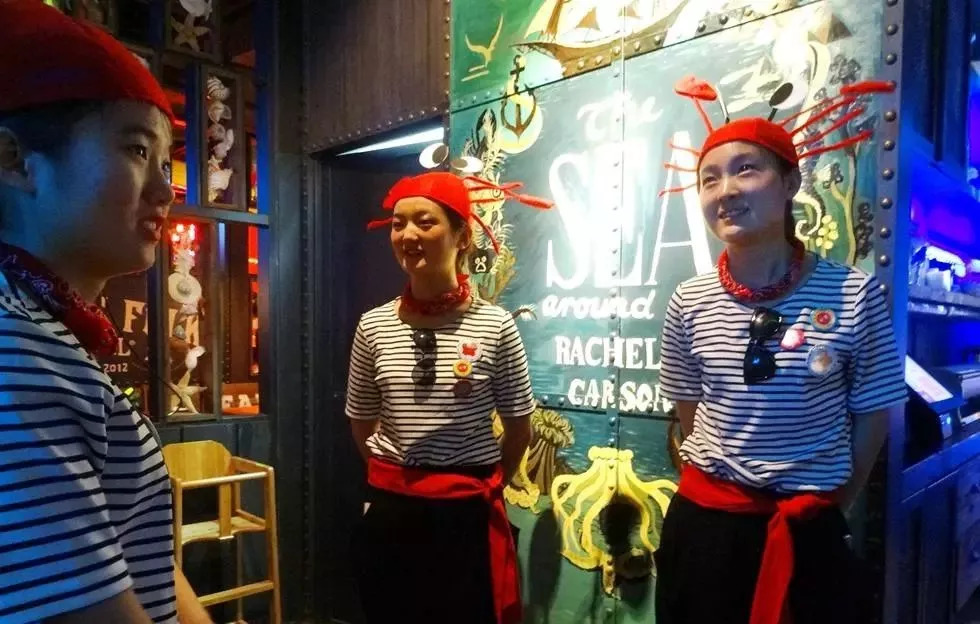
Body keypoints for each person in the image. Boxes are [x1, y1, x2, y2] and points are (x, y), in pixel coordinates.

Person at [654, 77, 905, 624]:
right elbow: (689, 410)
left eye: (746, 169)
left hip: (807, 529)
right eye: (709, 179)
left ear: (790, 181)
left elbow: (874, 411)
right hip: (706, 528)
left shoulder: (853, 293)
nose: (725, 191)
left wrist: (836, 501)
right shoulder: (688, 299)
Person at [0, 2, 211, 623]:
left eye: (165, 159)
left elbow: (138, 563)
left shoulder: (45, 328)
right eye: (137, 149)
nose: (166, 189)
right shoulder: (16, 351)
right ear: (14, 160)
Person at [346, 171, 551, 623]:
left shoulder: (496, 326)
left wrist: (476, 483)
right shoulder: (373, 325)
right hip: (391, 511)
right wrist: (397, 480)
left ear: (463, 237)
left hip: (466, 514)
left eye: (425, 222)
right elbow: (361, 421)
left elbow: (519, 428)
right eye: (398, 224)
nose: (408, 235)